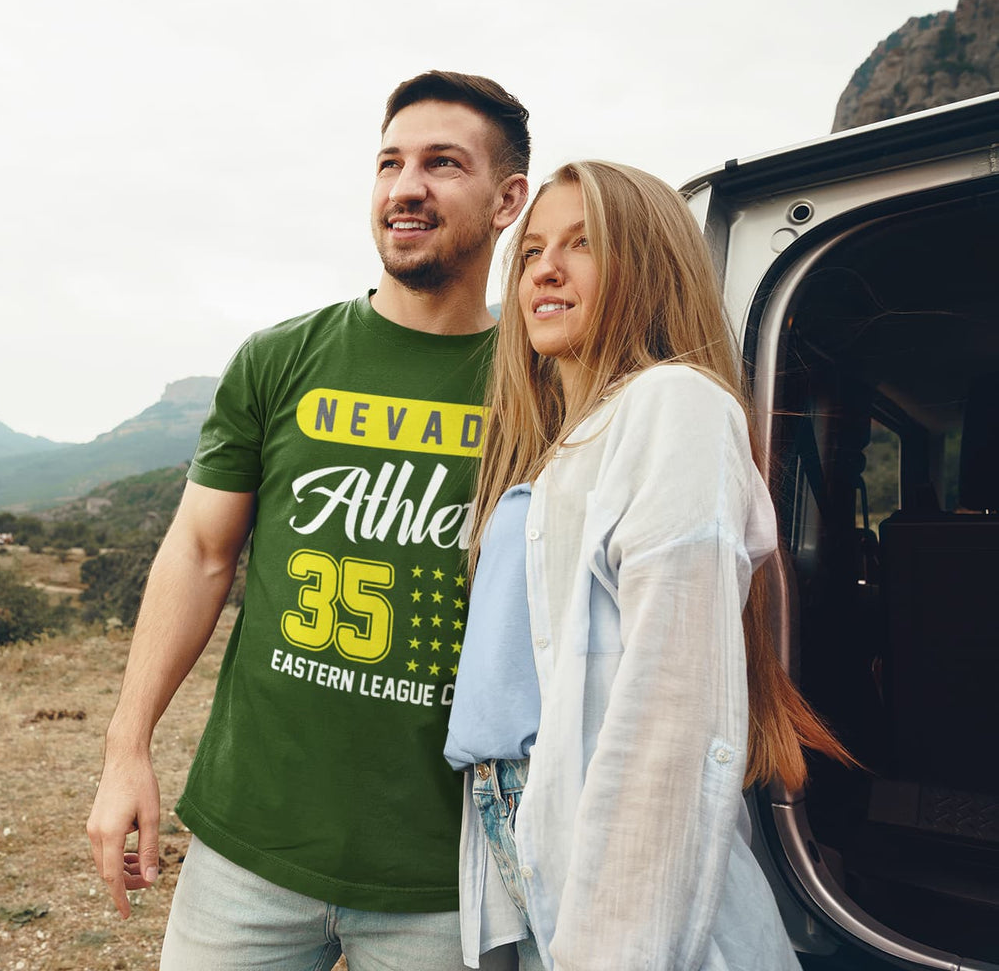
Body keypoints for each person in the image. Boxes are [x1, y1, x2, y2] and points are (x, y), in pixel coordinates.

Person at [86, 70, 531, 969]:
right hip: (248, 850)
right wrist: (126, 746)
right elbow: (200, 553)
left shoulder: (539, 387)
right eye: (390, 163)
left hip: (447, 875)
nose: (406, 187)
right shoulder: (280, 358)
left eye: (443, 164)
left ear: (507, 199)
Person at [445, 160, 857, 970]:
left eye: (583, 244)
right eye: (532, 251)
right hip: (513, 813)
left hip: (610, 837)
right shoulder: (561, 444)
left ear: (649, 267)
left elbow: (672, 710)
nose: (546, 269)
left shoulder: (674, 404)